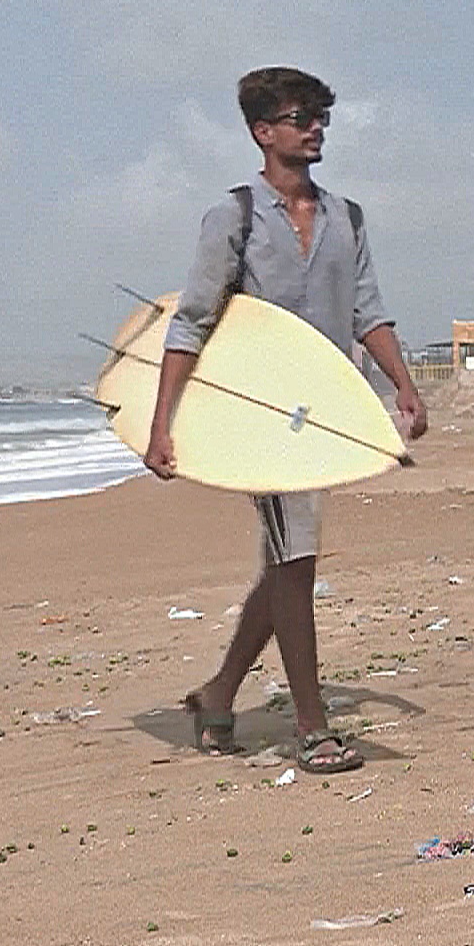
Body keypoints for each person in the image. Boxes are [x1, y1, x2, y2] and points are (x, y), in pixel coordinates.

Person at [151, 67, 429, 772]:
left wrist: (404, 387)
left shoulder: (348, 216)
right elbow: (193, 321)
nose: (315, 128)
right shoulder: (235, 215)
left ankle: (217, 694)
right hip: (259, 418)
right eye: (300, 117)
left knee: (285, 564)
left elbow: (368, 310)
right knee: (295, 563)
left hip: (326, 414)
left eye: (320, 118)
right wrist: (163, 424)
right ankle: (312, 724)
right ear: (262, 131)